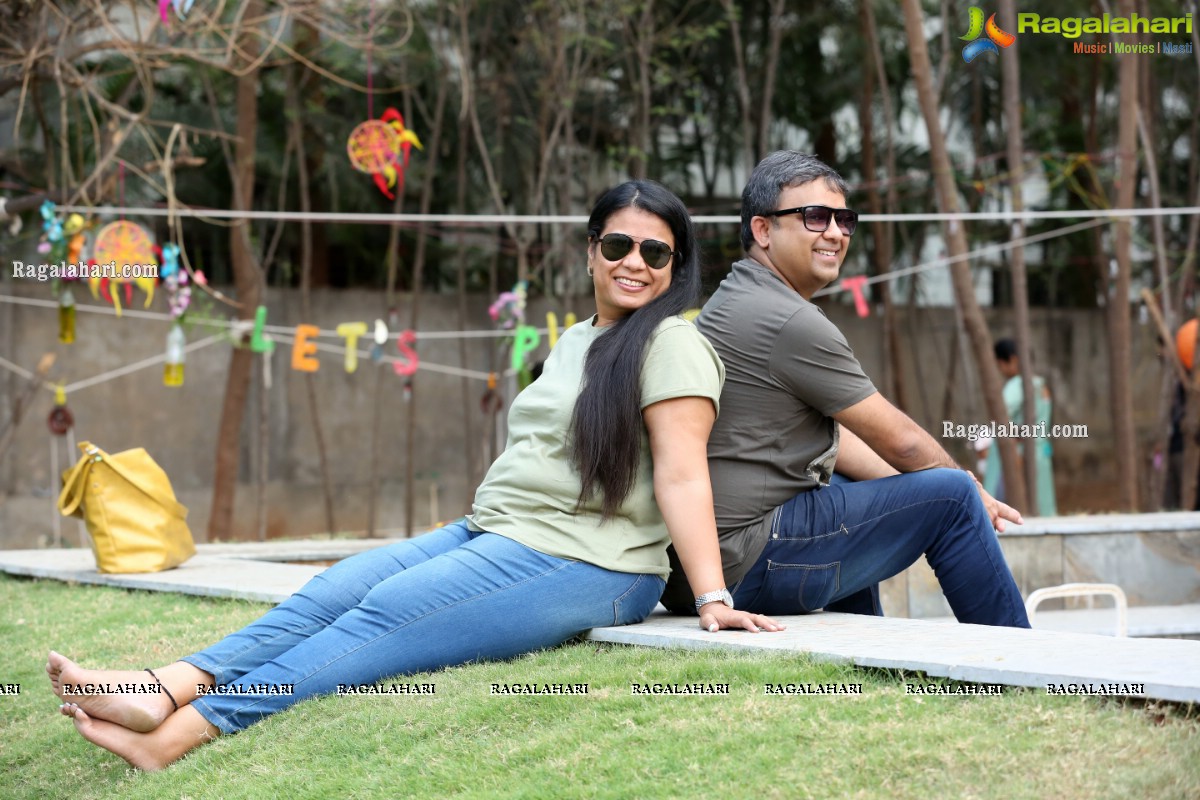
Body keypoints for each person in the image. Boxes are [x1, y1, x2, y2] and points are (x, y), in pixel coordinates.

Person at [49, 180, 782, 772]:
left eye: (657, 253)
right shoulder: (579, 340)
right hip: (492, 532)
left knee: (388, 608)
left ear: (675, 267)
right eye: (619, 244)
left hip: (590, 563)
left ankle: (177, 735)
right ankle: (160, 690)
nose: (636, 263)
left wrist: (712, 597)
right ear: (592, 252)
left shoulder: (674, 344)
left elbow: (684, 476)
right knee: (331, 590)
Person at [660, 151, 1030, 628]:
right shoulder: (789, 321)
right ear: (763, 230)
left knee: (859, 484)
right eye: (814, 217)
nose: (834, 232)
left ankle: (865, 644)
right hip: (743, 566)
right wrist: (972, 491)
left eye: (844, 219)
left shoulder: (737, 297)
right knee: (952, 496)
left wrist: (903, 486)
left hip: (700, 570)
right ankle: (1019, 660)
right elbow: (902, 441)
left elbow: (844, 445)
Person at [981, 338, 1058, 516]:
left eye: (1000, 364)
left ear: (1013, 360)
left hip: (1018, 455)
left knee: (1006, 509)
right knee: (1041, 506)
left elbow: (1001, 415)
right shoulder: (1041, 385)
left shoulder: (1017, 385)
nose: (1000, 370)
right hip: (1041, 453)